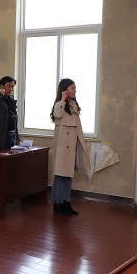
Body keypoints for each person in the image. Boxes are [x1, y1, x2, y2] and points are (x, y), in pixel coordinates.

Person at [50, 78, 88, 216]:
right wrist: (63, 99)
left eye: (75, 88)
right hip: (62, 147)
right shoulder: (59, 105)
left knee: (68, 177)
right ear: (65, 89)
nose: (75, 90)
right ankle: (59, 203)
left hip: (71, 146)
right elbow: (57, 114)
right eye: (72, 88)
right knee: (60, 176)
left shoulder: (73, 105)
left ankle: (66, 202)